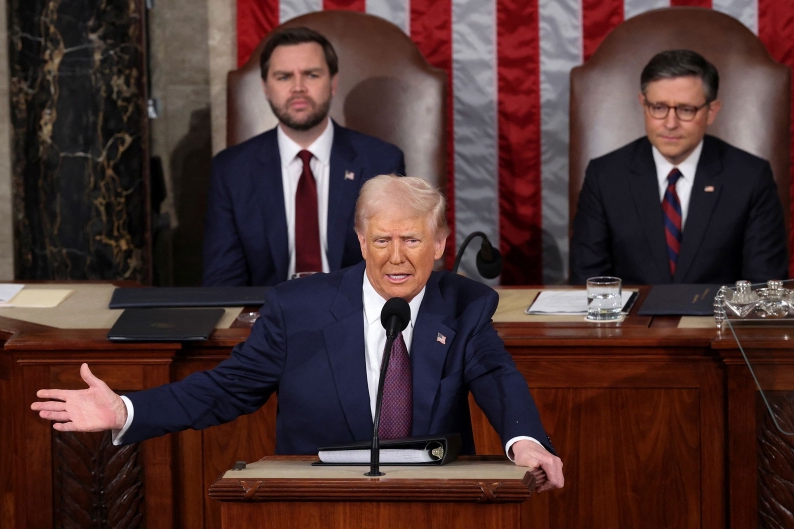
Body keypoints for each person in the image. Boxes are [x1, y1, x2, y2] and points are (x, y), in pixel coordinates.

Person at [32, 175, 564, 492]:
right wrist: (127, 410)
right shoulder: (298, 307)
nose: (396, 258)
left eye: (412, 239)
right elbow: (227, 389)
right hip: (319, 500)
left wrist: (526, 441)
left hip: (433, 499)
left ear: (442, 243)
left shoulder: (465, 304)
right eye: (382, 240)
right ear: (359, 240)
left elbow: (497, 376)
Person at [202, 27, 405, 286]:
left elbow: (394, 268)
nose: (298, 88)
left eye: (311, 75)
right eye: (284, 77)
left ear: (332, 83)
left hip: (357, 316)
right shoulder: (231, 170)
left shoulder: (381, 162)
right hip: (267, 317)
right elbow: (223, 283)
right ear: (265, 87)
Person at [570, 49, 787, 285]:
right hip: (629, 320)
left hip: (717, 320)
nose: (670, 124)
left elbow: (765, 284)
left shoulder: (750, 177)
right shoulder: (605, 176)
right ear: (643, 105)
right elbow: (589, 281)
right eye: (659, 107)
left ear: (711, 111)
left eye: (686, 110)